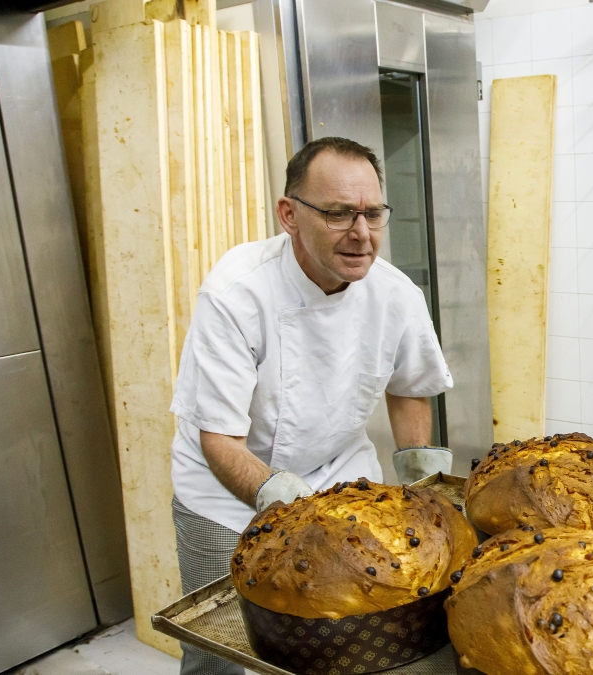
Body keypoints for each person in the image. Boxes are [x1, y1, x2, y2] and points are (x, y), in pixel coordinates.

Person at [168, 137, 453, 674]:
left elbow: (408, 382)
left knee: (353, 642)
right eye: (339, 213)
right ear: (289, 215)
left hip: (342, 477)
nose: (362, 234)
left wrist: (421, 480)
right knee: (221, 653)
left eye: (372, 213)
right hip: (225, 495)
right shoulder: (237, 295)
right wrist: (293, 508)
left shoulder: (395, 294)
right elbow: (218, 439)